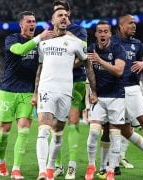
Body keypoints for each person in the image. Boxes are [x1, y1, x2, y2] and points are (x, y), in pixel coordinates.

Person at [98, 14, 143, 179]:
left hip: (133, 89)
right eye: (131, 23)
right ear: (121, 25)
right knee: (110, 130)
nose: (134, 26)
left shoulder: (137, 44)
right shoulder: (111, 42)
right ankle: (109, 166)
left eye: (135, 24)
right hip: (114, 90)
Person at [31, 8, 89, 180]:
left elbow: (86, 61)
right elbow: (40, 68)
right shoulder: (43, 41)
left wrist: (92, 88)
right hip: (46, 89)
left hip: (66, 90)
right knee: (44, 128)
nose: (64, 18)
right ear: (53, 20)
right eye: (60, 15)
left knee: (58, 132)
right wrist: (35, 92)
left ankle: (51, 167)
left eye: (66, 15)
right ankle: (43, 170)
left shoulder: (76, 40)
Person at [0, 11, 53, 180]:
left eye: (34, 21)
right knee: (4, 131)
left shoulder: (40, 44)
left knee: (24, 131)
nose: (32, 24)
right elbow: (20, 51)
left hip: (28, 92)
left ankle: (16, 169)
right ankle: (1, 161)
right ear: (21, 24)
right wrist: (39, 38)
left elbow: (42, 66)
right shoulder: (11, 39)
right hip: (8, 91)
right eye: (28, 21)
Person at [84, 20, 127, 180]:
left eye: (105, 31)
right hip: (100, 97)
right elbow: (90, 71)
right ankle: (91, 166)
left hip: (116, 96)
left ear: (110, 34)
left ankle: (110, 171)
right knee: (94, 132)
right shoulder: (91, 49)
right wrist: (93, 92)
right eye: (99, 31)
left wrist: (99, 60)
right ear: (96, 34)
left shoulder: (118, 49)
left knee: (115, 135)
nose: (102, 34)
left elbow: (119, 71)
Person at [51, 1, 88, 179]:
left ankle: (72, 167)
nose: (61, 15)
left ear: (68, 13)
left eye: (63, 12)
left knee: (73, 121)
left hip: (76, 80)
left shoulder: (80, 30)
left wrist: (65, 33)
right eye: (57, 12)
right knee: (56, 124)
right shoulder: (49, 35)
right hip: (56, 82)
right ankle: (57, 165)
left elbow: (83, 54)